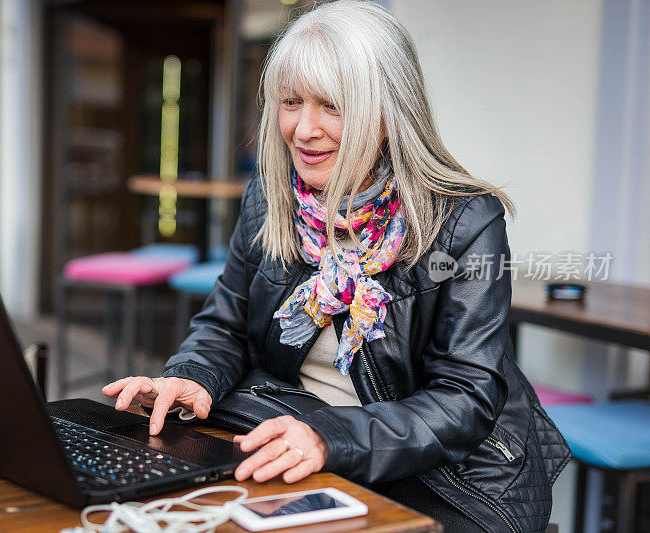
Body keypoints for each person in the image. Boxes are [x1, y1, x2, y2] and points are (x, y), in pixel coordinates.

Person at [103, 1, 569, 531]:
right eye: (291, 102)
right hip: (292, 429)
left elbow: (464, 399)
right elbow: (225, 325)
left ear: (389, 108)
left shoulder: (465, 221)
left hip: (442, 475)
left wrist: (332, 437)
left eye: (332, 105)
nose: (303, 129)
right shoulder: (270, 196)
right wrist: (193, 377)